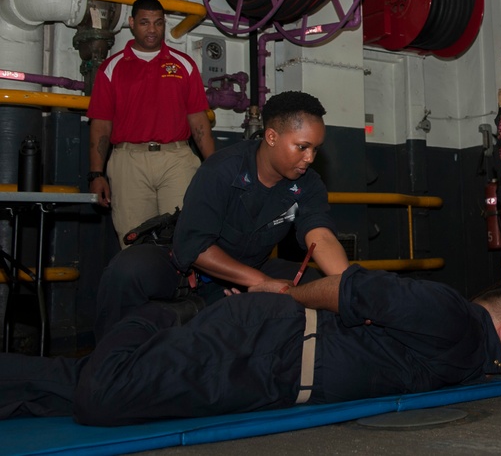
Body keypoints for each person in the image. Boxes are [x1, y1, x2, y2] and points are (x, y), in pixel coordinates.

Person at [0, 265, 501, 424]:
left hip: (269, 375)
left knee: (72, 389)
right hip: (262, 339)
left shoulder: (463, 357)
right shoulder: (453, 317)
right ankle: (162, 313)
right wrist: (289, 291)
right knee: (105, 395)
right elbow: (352, 288)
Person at [93, 90, 351, 339]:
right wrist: (260, 282)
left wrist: (350, 287)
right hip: (189, 271)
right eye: (303, 147)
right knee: (128, 269)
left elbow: (321, 236)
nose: (310, 158)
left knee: (317, 286)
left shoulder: (309, 183)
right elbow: (194, 247)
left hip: (249, 269)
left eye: (315, 149)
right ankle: (112, 363)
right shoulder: (222, 169)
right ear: (271, 137)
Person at [88, 0, 215, 247]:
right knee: (134, 242)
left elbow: (199, 123)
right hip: (128, 162)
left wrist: (214, 168)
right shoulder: (111, 68)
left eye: (158, 23)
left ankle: (181, 288)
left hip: (176, 160)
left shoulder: (184, 65)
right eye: (145, 22)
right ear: (132, 23)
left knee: (184, 238)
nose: (152, 29)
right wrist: (96, 174)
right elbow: (101, 124)